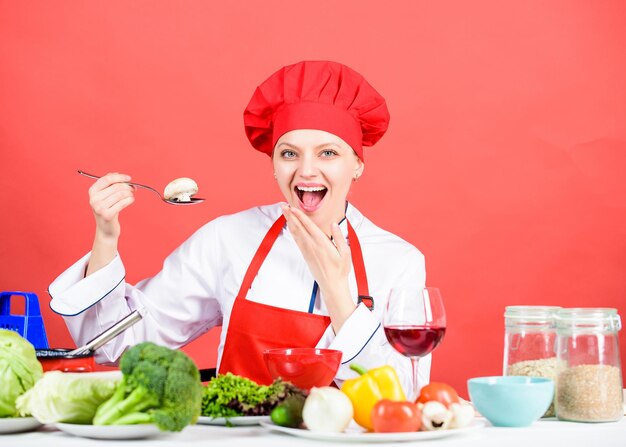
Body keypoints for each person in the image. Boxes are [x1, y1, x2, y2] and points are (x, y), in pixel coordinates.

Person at [49, 60, 429, 394]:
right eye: (289, 153)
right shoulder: (228, 240)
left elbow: (402, 397)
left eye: (328, 152)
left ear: (358, 164)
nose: (307, 170)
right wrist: (106, 237)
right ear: (273, 164)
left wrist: (336, 292)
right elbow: (117, 346)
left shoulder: (398, 261)